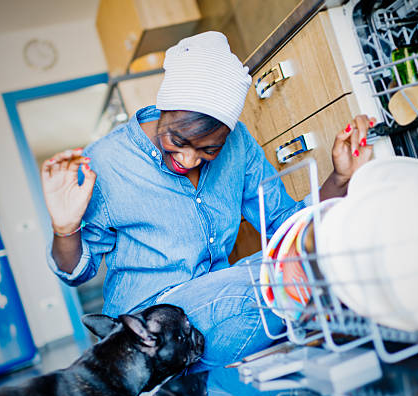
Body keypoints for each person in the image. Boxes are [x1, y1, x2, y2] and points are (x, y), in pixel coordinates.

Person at [42, 31, 374, 369]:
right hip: (148, 331)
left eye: (209, 149)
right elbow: (78, 273)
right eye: (178, 139)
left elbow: (285, 225)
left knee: (300, 258)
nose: (188, 160)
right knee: (281, 280)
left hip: (215, 303)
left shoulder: (239, 144)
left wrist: (340, 178)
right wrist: (65, 229)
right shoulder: (108, 160)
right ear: (164, 108)